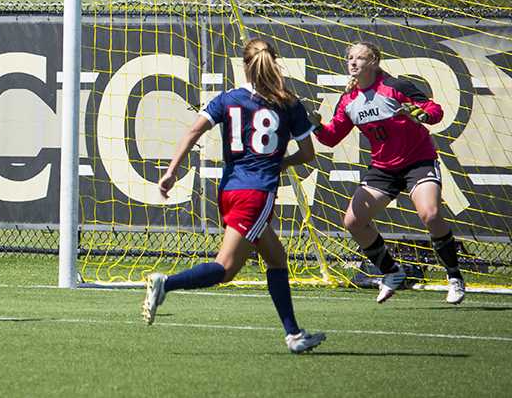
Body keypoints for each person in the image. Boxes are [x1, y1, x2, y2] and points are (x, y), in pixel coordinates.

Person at [143, 38, 326, 354]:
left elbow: (192, 131)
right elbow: (308, 153)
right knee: (225, 269)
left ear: (244, 65)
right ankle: (165, 283)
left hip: (229, 190)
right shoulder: (289, 104)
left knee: (276, 259)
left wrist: (172, 171)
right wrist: (281, 162)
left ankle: (294, 334)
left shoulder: (228, 98)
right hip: (256, 193)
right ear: (275, 62)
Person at [310, 41, 465, 304]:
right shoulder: (349, 100)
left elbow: (434, 111)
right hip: (383, 168)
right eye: (350, 58)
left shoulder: (396, 87)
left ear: (374, 62)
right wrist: (314, 125)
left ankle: (454, 277)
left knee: (431, 214)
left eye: (360, 58)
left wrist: (421, 115)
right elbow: (331, 137)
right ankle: (392, 272)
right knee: (353, 222)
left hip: (418, 161)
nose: (353, 62)